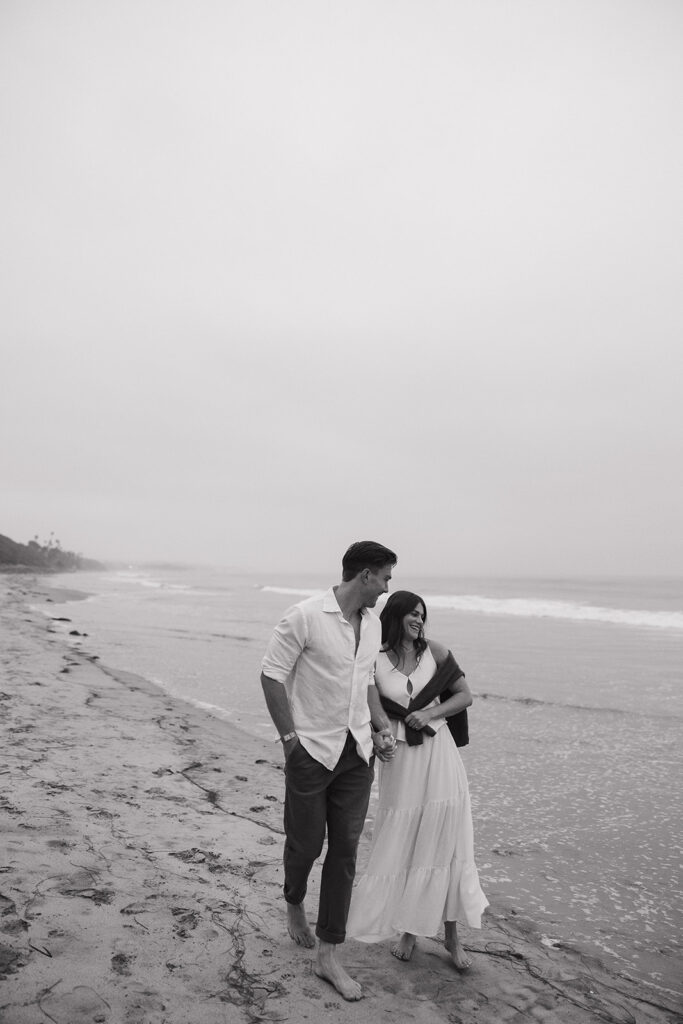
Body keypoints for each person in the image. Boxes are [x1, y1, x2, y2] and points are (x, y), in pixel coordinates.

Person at [260, 540, 398, 1001]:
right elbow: (271, 674)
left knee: (344, 853)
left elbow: (369, 681)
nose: (386, 588)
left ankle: (328, 954)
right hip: (311, 753)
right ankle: (294, 898)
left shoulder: (374, 624)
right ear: (365, 576)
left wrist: (379, 726)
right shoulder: (304, 616)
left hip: (356, 756)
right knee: (304, 845)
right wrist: (289, 741)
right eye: (385, 578)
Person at [346, 590, 488, 968]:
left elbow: (465, 696)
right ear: (395, 616)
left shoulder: (436, 652)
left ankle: (453, 938)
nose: (419, 620)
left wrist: (430, 713)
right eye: (412, 613)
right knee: (408, 841)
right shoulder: (373, 660)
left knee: (445, 843)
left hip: (439, 755)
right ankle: (409, 928)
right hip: (400, 761)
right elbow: (369, 705)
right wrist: (380, 737)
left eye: (423, 615)